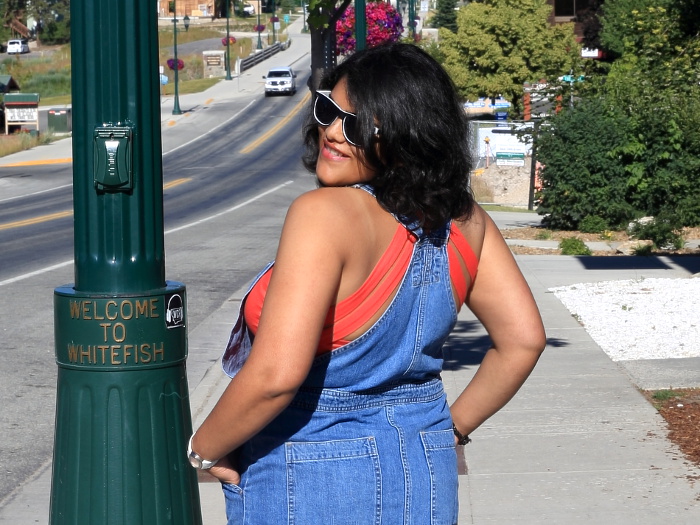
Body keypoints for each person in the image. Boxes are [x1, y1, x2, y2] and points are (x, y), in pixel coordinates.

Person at [188, 42, 546, 524]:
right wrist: (449, 431)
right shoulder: (465, 221)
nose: (332, 132)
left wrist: (204, 450)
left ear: (405, 136)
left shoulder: (322, 216)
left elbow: (275, 379)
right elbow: (523, 341)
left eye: (355, 124)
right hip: (425, 467)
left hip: (311, 468)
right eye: (327, 109)